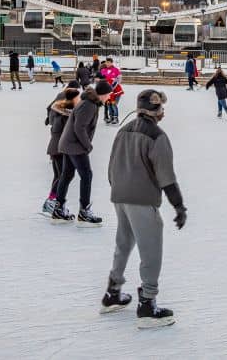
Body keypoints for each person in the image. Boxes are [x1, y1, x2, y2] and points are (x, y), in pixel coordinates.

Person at [102, 89, 186, 328]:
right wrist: (179, 206)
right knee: (151, 251)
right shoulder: (157, 136)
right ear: (156, 110)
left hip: (119, 197)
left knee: (123, 244)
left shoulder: (123, 130)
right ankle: (148, 304)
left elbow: (111, 167)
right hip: (142, 200)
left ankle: (113, 292)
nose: (163, 112)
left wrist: (118, 189)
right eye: (161, 108)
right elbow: (166, 177)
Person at [53, 80, 113, 225]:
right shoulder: (89, 105)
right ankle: (84, 211)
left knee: (67, 175)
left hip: (69, 143)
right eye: (108, 94)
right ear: (103, 94)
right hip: (75, 145)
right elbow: (79, 127)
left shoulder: (89, 102)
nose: (109, 97)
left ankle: (59, 208)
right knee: (86, 175)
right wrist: (88, 146)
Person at [42, 88, 80, 217]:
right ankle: (51, 201)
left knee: (59, 176)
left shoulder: (59, 112)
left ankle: (52, 200)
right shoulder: (63, 115)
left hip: (56, 148)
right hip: (59, 149)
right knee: (62, 176)